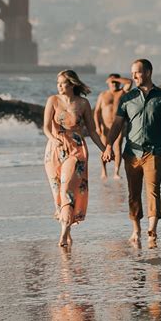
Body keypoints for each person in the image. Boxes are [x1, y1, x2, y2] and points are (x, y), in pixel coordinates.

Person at [102, 59, 161, 247]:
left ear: (148, 72)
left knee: (153, 191)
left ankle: (152, 230)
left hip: (155, 151)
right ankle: (136, 229)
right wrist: (108, 146)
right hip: (131, 152)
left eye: (137, 72)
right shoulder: (127, 98)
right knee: (134, 193)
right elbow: (116, 125)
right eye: (132, 73)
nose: (133, 76)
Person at [44, 70, 106, 247]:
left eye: (63, 83)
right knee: (58, 193)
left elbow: (92, 130)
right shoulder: (52, 101)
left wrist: (104, 149)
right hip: (54, 150)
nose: (60, 86)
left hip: (76, 150)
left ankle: (63, 235)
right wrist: (53, 139)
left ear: (72, 84)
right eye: (58, 83)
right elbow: (46, 127)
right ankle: (67, 228)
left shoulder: (83, 103)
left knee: (67, 190)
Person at [94, 73, 132, 179]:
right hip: (105, 127)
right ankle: (104, 171)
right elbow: (97, 111)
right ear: (108, 83)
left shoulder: (122, 93)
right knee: (104, 148)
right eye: (112, 82)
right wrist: (97, 126)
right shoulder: (103, 95)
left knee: (117, 148)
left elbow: (129, 82)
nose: (114, 84)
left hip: (118, 126)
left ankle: (116, 172)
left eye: (116, 82)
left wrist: (116, 79)